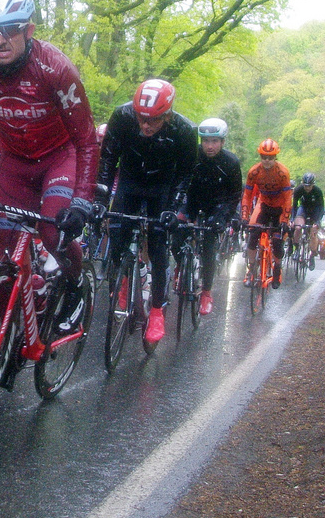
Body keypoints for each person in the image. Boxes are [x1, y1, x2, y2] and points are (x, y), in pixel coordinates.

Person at [0, 0, 98, 359]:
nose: (0, 40)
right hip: (14, 162)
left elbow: (86, 140)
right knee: (2, 252)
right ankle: (25, 311)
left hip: (59, 157)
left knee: (52, 228)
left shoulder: (56, 68)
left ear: (28, 30)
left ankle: (76, 283)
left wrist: (81, 201)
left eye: (11, 29)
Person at [97, 78, 198, 346]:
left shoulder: (185, 130)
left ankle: (156, 311)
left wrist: (173, 209)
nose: (145, 125)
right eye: (141, 118)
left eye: (153, 120)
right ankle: (122, 281)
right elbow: (108, 159)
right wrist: (100, 198)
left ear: (168, 114)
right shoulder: (122, 116)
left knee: (157, 245)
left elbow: (186, 173)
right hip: (130, 182)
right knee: (117, 237)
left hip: (162, 188)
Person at [184, 117, 243, 315]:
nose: (209, 146)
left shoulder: (231, 162)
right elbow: (181, 182)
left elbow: (234, 196)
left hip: (216, 206)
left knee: (209, 248)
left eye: (214, 141)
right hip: (192, 200)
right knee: (177, 234)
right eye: (206, 141)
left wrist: (223, 217)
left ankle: (206, 292)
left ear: (223, 142)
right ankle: (180, 266)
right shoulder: (192, 156)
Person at [240, 138, 292, 288]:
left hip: (279, 209)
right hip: (264, 207)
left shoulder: (282, 173)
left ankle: (277, 268)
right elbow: (247, 195)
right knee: (252, 236)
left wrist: (285, 220)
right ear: (260, 156)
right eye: (264, 157)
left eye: (270, 158)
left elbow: (288, 198)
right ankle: (250, 269)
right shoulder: (254, 172)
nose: (267, 161)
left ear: (275, 157)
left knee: (277, 242)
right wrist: (244, 217)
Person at [292, 172, 325, 266]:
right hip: (303, 209)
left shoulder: (317, 191)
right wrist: (292, 219)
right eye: (305, 186)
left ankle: (312, 254)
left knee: (313, 233)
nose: (307, 188)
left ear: (313, 185)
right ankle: (296, 248)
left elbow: (321, 208)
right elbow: (294, 206)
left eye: (309, 186)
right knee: (298, 227)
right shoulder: (298, 190)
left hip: (315, 211)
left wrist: (318, 222)